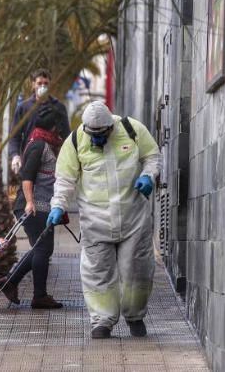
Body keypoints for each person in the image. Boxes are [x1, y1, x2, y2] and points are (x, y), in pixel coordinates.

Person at [47, 101, 162, 338]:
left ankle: (135, 316)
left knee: (137, 271)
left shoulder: (133, 130)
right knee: (97, 272)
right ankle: (102, 321)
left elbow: (152, 156)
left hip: (134, 219)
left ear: (111, 126)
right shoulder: (76, 141)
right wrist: (58, 205)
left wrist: (148, 175)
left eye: (102, 135)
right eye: (93, 136)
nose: (97, 139)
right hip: (95, 222)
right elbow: (65, 179)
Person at [0, 107, 64, 309]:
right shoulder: (39, 145)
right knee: (43, 249)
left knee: (40, 249)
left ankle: (10, 282)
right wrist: (29, 202)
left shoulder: (43, 143)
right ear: (53, 127)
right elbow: (27, 176)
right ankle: (39, 296)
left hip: (43, 206)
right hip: (34, 207)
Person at [9, 68, 70, 175]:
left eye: (46, 83)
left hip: (52, 161)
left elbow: (66, 136)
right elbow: (14, 135)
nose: (43, 86)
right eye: (39, 83)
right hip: (29, 158)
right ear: (33, 85)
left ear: (50, 85)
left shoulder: (59, 107)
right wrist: (15, 156)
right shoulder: (24, 108)